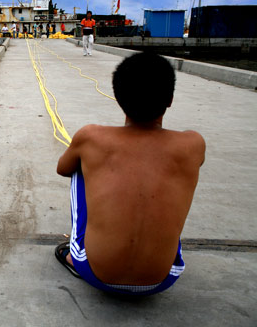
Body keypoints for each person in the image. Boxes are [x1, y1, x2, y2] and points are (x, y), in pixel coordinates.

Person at [55, 52, 205, 296]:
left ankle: (74, 256)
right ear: (170, 100)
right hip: (163, 279)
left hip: (96, 274)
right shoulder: (193, 144)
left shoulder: (91, 137)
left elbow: (62, 168)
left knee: (79, 168)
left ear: (117, 97)